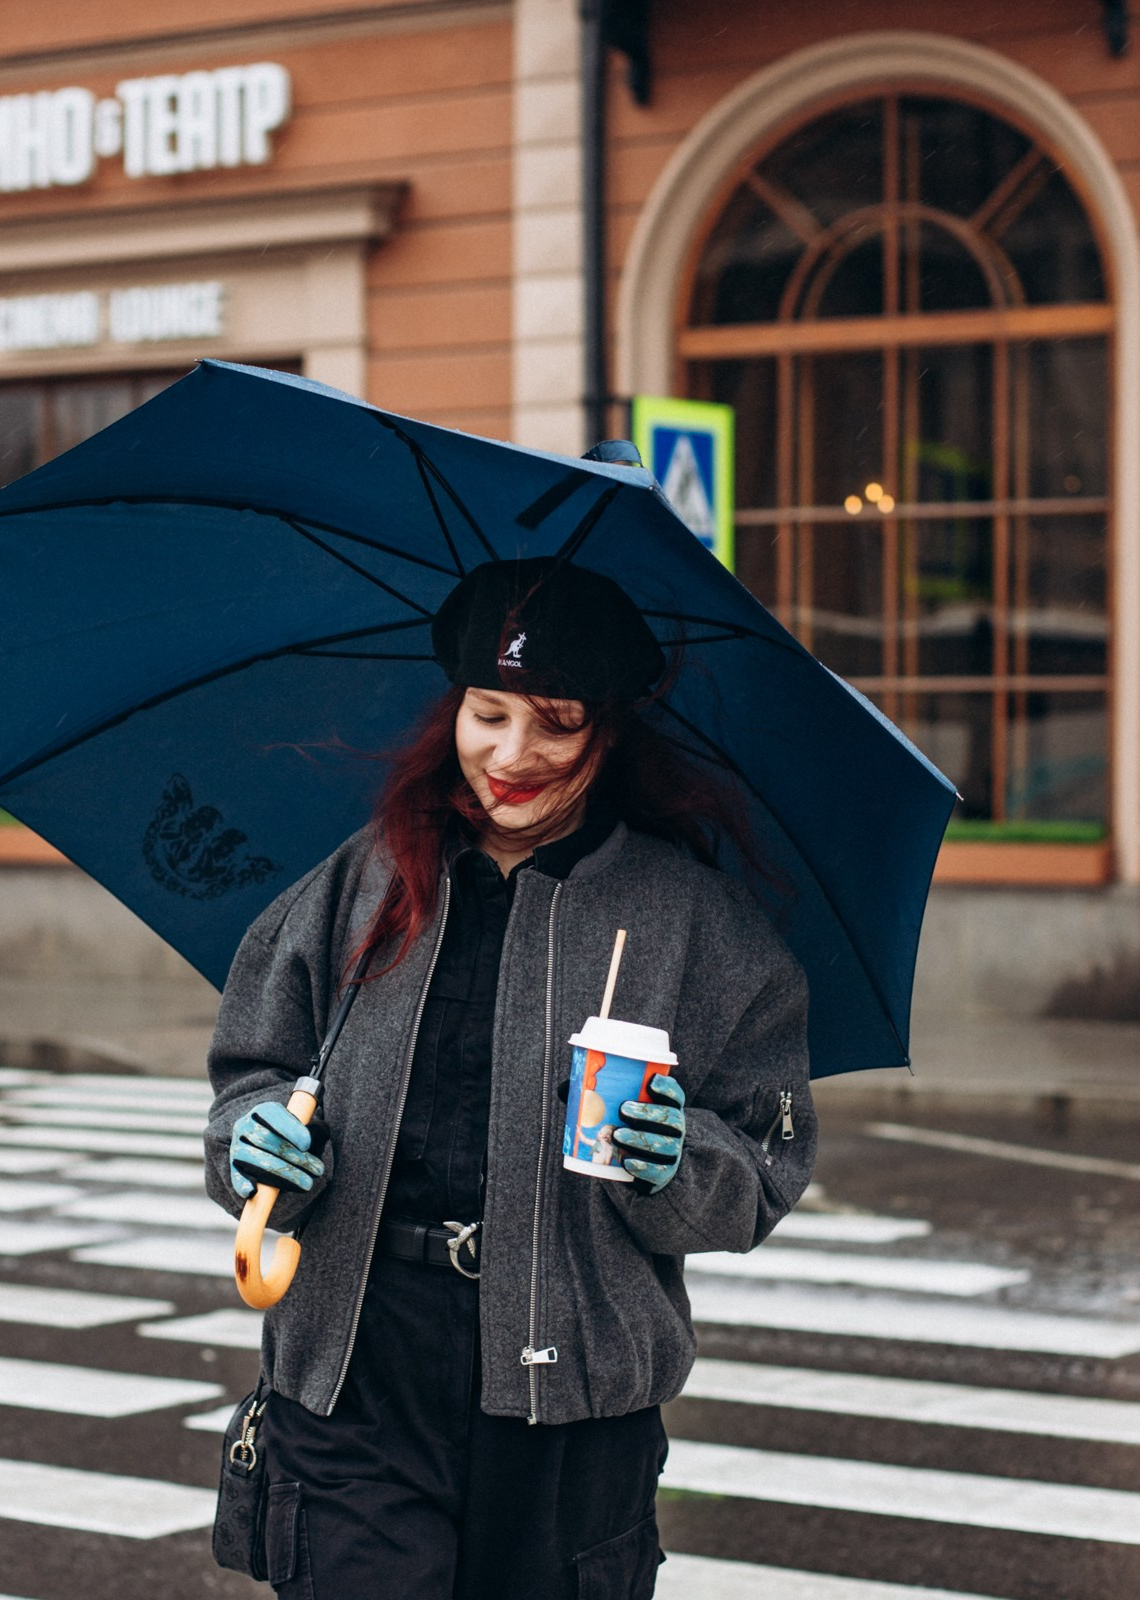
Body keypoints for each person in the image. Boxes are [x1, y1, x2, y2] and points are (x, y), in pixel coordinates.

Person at [203, 553, 817, 1599]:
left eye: (556, 720)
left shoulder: (696, 925)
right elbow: (252, 1071)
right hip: (358, 1365)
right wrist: (257, 1138)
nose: (511, 752)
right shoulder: (361, 880)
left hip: (572, 1402)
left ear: (609, 731)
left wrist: (681, 1161)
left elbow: (765, 1153)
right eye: (487, 713)